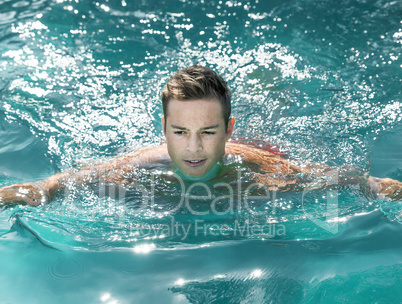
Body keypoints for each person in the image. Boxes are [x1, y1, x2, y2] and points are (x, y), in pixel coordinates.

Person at [0, 65, 401, 206]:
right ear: (164, 130)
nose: (192, 148)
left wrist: (382, 188)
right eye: (180, 132)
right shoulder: (141, 168)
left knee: (270, 124)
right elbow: (59, 184)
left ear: (227, 130)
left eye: (208, 132)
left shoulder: (263, 175)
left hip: (260, 150)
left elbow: (350, 178)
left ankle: (267, 88)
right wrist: (30, 193)